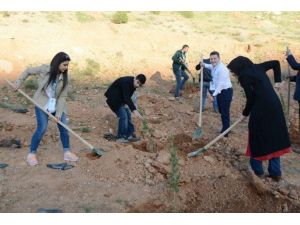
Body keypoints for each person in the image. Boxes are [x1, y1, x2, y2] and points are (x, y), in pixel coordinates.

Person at [227, 56, 291, 181]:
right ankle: (275, 173)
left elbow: (251, 98)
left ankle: (257, 172)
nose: (233, 73)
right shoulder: (258, 67)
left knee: (256, 137)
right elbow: (276, 63)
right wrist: (278, 81)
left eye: (233, 71)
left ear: (238, 67)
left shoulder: (244, 76)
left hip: (261, 109)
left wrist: (244, 114)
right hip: (275, 106)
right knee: (274, 138)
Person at [13, 52, 79, 166]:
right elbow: (28, 70)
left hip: (57, 105)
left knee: (64, 127)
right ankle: (31, 154)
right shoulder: (44, 69)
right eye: (64, 65)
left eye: (67, 65)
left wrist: (58, 113)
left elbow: (63, 97)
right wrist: (18, 82)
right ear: (58, 63)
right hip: (42, 102)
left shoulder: (64, 78)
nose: (66, 67)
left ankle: (67, 152)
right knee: (42, 127)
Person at [104, 74, 146, 143]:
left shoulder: (132, 83)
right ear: (135, 78)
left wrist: (130, 108)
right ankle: (121, 138)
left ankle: (129, 136)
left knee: (128, 114)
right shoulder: (126, 83)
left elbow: (127, 97)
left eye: (140, 85)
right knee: (123, 116)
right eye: (137, 82)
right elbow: (127, 98)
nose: (138, 85)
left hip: (120, 99)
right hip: (113, 100)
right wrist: (135, 111)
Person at [201, 51, 233, 136]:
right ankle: (225, 128)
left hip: (225, 91)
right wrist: (203, 64)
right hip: (220, 92)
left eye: (215, 58)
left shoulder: (222, 69)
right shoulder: (214, 66)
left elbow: (220, 85)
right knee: (222, 111)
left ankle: (225, 132)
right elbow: (210, 66)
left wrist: (212, 95)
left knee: (225, 112)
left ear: (219, 59)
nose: (213, 60)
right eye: (211, 59)